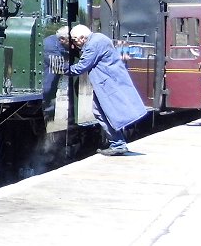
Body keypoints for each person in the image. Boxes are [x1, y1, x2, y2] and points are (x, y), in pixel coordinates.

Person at [60, 24, 148, 155]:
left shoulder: (92, 45)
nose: (74, 43)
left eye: (75, 40)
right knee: (100, 111)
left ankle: (118, 144)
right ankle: (117, 143)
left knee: (105, 112)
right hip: (108, 82)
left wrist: (62, 69)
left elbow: (81, 67)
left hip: (107, 84)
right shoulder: (99, 38)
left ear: (83, 37)